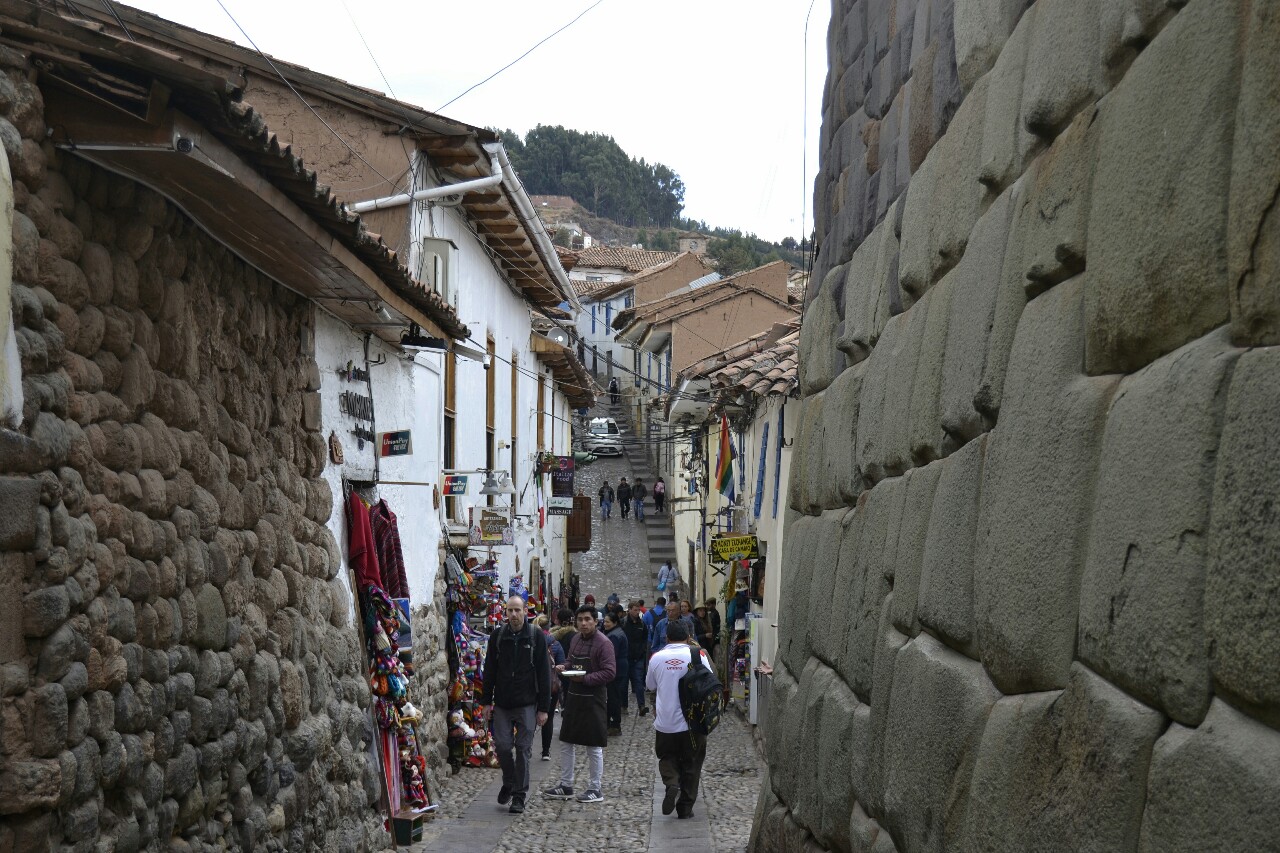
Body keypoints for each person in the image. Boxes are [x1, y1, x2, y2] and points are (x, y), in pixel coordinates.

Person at [481, 596, 552, 814]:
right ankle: (509, 781)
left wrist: (543, 708)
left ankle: (519, 796)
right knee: (502, 746)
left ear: (525, 611)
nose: (513, 614)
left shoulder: (535, 636)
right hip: (502, 702)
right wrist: (486, 702)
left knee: (523, 749)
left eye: (517, 610)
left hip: (527, 703)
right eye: (510, 610)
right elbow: (490, 670)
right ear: (505, 612)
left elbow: (544, 673)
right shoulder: (498, 636)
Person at [543, 606, 615, 804]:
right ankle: (566, 785)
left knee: (593, 746)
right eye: (580, 619)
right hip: (574, 696)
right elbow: (570, 661)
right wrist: (563, 667)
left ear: (595, 621)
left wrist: (586, 678)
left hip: (593, 698)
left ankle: (595, 788)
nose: (583, 623)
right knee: (567, 741)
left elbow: (610, 672)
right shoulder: (575, 639)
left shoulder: (604, 644)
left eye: (587, 619)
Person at [646, 620, 714, 819]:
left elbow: (650, 685)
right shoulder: (698, 654)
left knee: (666, 756)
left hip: (665, 722)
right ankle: (685, 808)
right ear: (688, 636)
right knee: (692, 763)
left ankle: (671, 782)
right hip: (693, 722)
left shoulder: (656, 658)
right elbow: (710, 680)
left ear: (666, 637)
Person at [536, 615, 566, 761]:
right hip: (551, 687)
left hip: (533, 686)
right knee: (548, 717)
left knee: (529, 717)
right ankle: (546, 751)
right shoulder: (555, 643)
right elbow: (562, 664)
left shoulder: (532, 641)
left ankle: (526, 748)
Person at [602, 612, 629, 735]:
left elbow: (612, 655)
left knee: (613, 697)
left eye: (607, 622)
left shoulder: (614, 636)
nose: (605, 624)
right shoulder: (617, 632)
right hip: (619, 667)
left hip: (616, 669)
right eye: (604, 621)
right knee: (614, 696)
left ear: (615, 622)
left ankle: (614, 724)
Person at [622, 600, 651, 716]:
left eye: (638, 610)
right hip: (626, 657)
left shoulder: (642, 624)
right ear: (629, 610)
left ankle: (641, 706)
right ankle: (624, 706)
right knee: (624, 683)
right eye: (635, 610)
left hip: (638, 658)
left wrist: (643, 650)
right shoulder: (623, 623)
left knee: (639, 682)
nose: (637, 612)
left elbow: (645, 638)